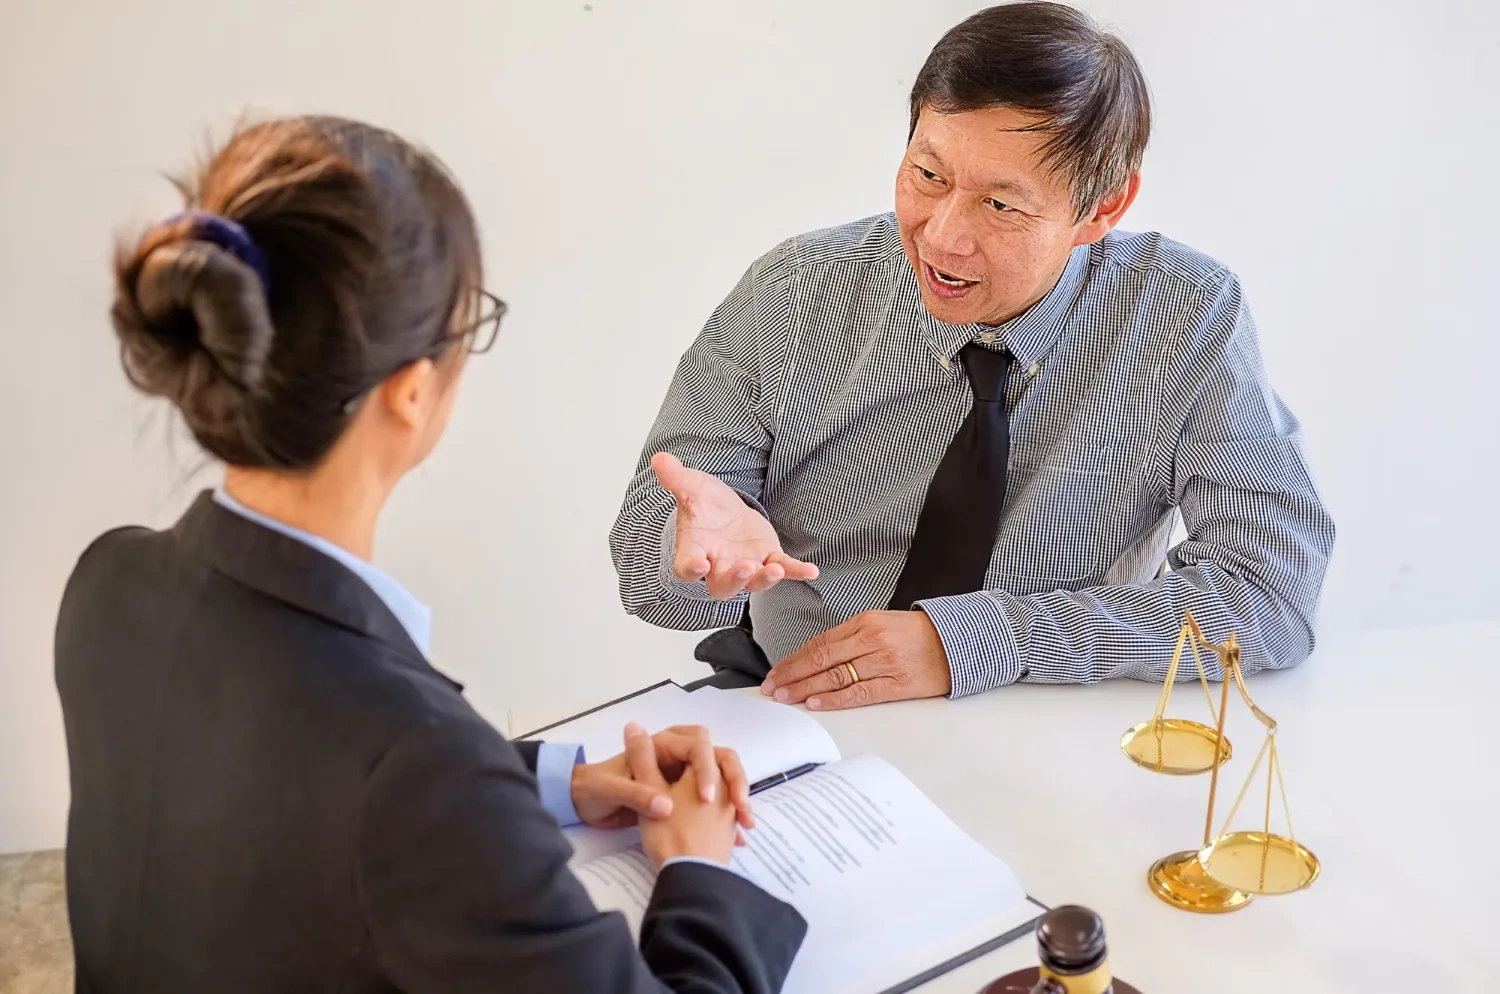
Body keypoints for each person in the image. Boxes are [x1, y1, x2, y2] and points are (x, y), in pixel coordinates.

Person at [55, 116, 805, 993]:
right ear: (411, 391)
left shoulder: (110, 581)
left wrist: (562, 782)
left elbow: (302, 789)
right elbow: (400, 783)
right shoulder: (417, 763)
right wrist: (702, 874)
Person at [610, 2, 1334, 709]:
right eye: (929, 175)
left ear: (1103, 210)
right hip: (796, 695)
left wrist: (981, 641)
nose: (942, 237)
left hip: (1041, 708)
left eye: (1001, 206)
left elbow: (1271, 594)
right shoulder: (796, 294)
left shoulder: (1185, 317)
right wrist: (694, 543)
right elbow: (643, 571)